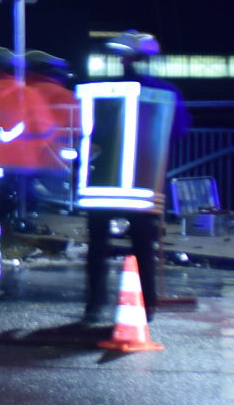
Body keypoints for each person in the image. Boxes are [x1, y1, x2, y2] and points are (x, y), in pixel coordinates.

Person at [82, 30, 191, 325]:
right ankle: (148, 303)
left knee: (98, 242)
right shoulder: (167, 94)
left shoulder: (106, 91)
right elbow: (179, 131)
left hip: (106, 180)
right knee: (143, 244)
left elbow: (93, 132)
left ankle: (94, 304)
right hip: (144, 179)